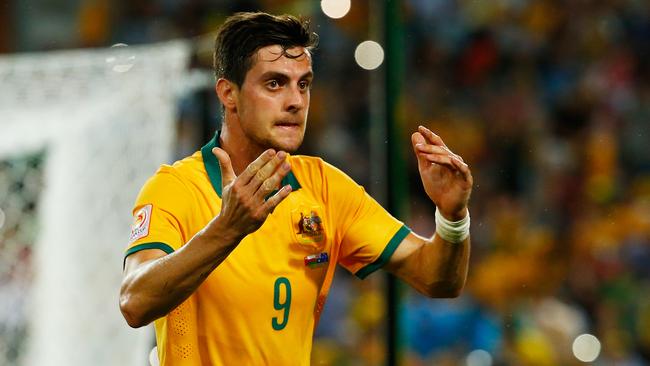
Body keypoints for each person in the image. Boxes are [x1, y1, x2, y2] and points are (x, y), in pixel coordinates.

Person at [119, 11, 473, 365]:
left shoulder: (325, 187)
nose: (296, 101)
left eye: (303, 84)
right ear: (229, 93)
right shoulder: (176, 188)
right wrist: (226, 229)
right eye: (275, 83)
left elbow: (438, 280)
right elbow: (134, 303)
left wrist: (452, 216)